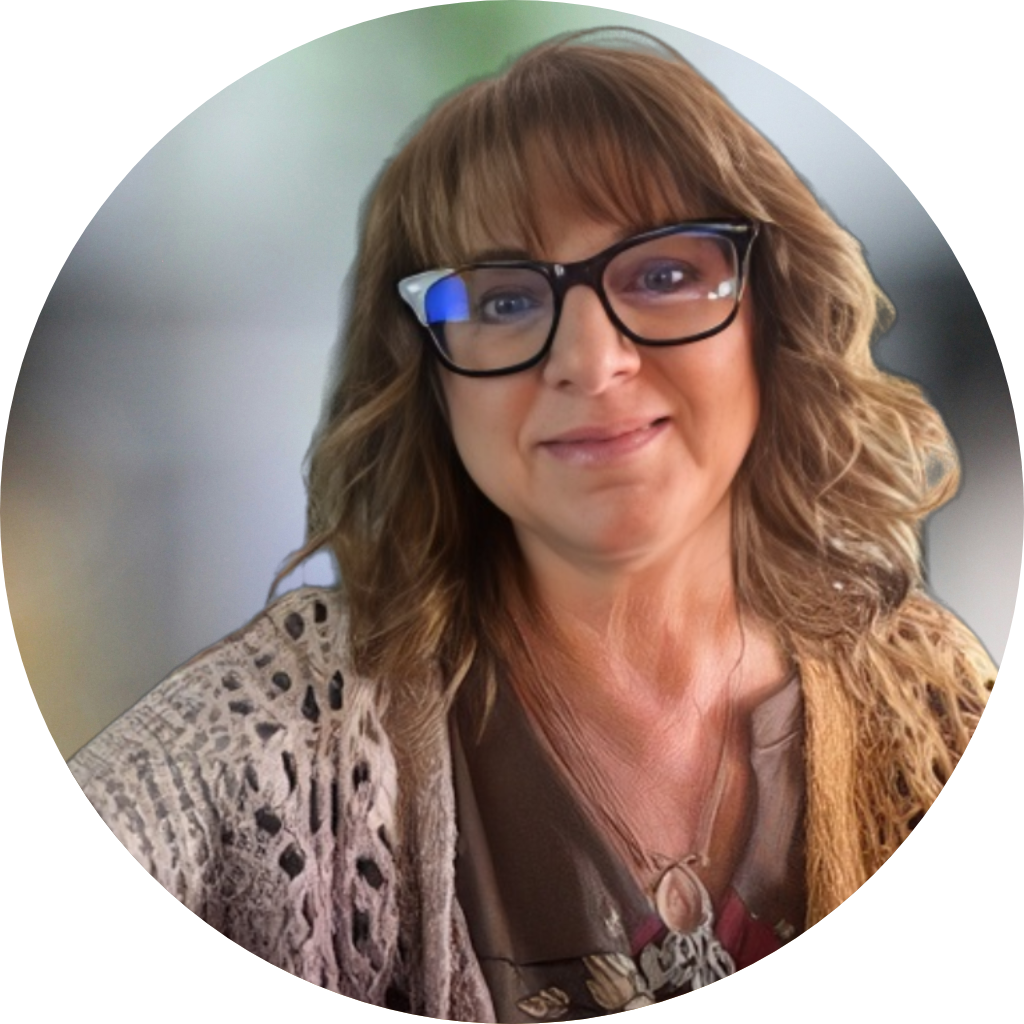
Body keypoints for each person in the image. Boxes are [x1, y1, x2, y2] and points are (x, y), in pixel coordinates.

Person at [68, 27, 995, 1022]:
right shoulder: (270, 737)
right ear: (426, 375)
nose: (591, 364)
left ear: (776, 314)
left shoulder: (939, 701)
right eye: (505, 298)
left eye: (664, 274)